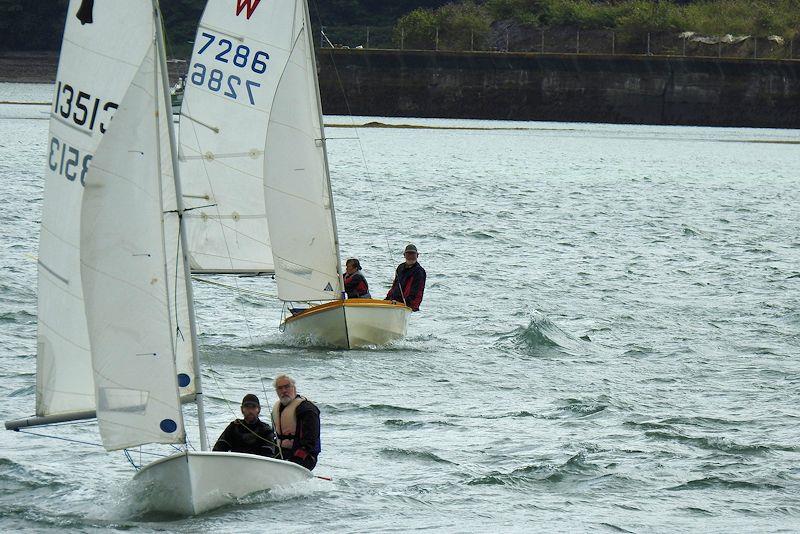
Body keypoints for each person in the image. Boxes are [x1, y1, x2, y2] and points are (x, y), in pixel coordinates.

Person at [272, 374, 321, 471]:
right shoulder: (277, 409)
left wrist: (299, 456)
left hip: (304, 456)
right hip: (281, 453)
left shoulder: (307, 409)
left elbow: (311, 439)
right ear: (277, 391)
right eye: (280, 388)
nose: (284, 391)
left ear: (294, 387)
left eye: (287, 387)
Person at [212, 394, 277, 457]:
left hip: (258, 466)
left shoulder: (266, 430)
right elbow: (218, 450)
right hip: (235, 465)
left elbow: (268, 456)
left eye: (253, 407)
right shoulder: (234, 427)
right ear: (242, 409)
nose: (250, 411)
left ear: (259, 409)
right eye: (247, 407)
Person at [385, 243, 426, 311]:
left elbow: (417, 292)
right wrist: (387, 299)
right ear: (404, 255)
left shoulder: (419, 272)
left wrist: (408, 304)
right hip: (394, 302)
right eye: (408, 254)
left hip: (407, 305)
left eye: (413, 254)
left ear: (417, 255)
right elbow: (395, 285)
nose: (410, 256)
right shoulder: (400, 267)